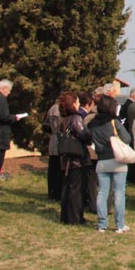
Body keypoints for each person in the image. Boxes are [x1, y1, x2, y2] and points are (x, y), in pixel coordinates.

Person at [89, 94, 133, 233]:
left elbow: (87, 137)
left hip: (102, 161)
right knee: (119, 193)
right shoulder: (114, 122)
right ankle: (120, 224)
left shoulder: (93, 124)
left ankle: (102, 223)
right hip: (117, 160)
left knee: (102, 192)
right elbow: (127, 138)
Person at [58, 92, 91, 225]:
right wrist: (89, 134)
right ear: (72, 104)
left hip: (66, 158)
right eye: (77, 102)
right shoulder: (76, 118)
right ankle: (75, 217)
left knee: (68, 187)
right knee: (76, 189)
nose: (78, 104)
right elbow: (82, 134)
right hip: (77, 159)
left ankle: (66, 216)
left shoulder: (63, 118)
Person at [41, 101, 63, 200]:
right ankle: (57, 193)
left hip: (53, 141)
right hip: (59, 140)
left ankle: (52, 192)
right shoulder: (59, 109)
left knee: (53, 168)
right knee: (58, 168)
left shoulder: (52, 108)